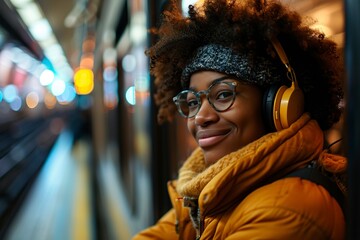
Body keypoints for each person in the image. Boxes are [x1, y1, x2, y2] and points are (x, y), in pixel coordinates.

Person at [133, 0, 347, 239]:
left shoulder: (289, 209)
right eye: (193, 102)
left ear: (276, 103)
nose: (201, 117)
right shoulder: (210, 185)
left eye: (224, 95)